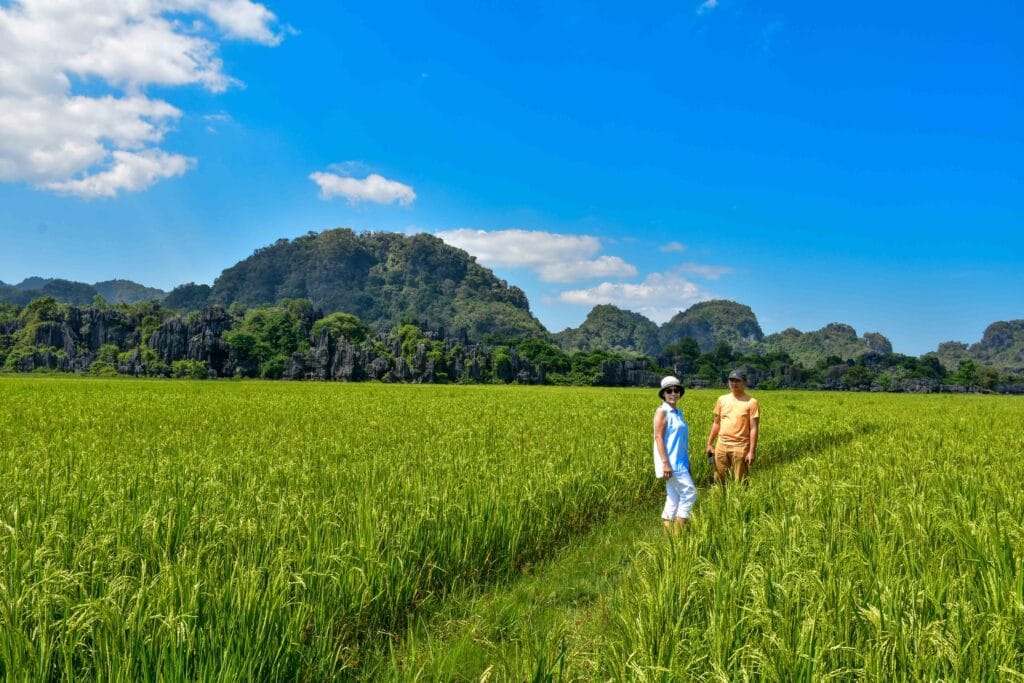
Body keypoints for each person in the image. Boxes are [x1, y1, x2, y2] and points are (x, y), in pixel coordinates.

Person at [653, 375, 697, 533]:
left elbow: (681, 441)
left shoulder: (678, 412)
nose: (673, 393)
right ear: (663, 394)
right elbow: (658, 437)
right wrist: (665, 463)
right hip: (671, 462)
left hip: (680, 461)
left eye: (676, 390)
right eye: (669, 391)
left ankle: (667, 537)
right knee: (690, 494)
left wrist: (687, 463)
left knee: (674, 497)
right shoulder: (662, 412)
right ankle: (678, 535)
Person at [705, 369, 760, 484]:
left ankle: (740, 496)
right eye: (732, 380)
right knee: (719, 479)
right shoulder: (722, 399)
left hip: (740, 447)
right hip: (721, 445)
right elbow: (716, 423)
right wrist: (709, 444)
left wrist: (751, 452)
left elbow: (754, 428)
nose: (734, 383)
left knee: (740, 481)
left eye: (737, 381)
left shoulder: (751, 402)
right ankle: (720, 496)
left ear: (744, 383)